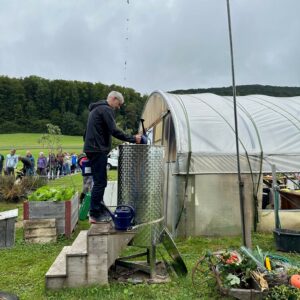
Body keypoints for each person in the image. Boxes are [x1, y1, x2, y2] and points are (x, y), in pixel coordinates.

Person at [83, 91, 141, 223]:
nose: (118, 107)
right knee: (100, 182)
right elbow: (114, 130)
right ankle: (94, 214)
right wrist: (133, 139)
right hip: (97, 149)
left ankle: (99, 209)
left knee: (100, 181)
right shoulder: (106, 109)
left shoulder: (96, 110)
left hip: (92, 148)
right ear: (114, 99)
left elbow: (86, 132)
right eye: (119, 104)